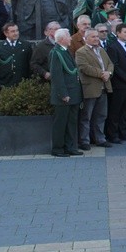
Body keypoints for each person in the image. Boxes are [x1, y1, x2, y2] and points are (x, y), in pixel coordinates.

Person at [75, 28, 114, 150]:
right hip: (90, 88)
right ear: (86, 39)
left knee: (101, 115)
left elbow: (110, 64)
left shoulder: (101, 50)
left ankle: (100, 139)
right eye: (93, 37)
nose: (96, 39)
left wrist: (109, 73)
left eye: (97, 36)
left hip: (104, 87)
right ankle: (84, 141)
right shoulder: (81, 52)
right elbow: (84, 67)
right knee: (86, 117)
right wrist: (102, 73)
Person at [49, 28, 83, 157]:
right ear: (62, 39)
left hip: (73, 93)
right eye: (69, 37)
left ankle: (70, 147)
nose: (71, 39)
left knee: (71, 123)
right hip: (64, 95)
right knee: (60, 123)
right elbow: (57, 76)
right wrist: (63, 94)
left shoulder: (65, 51)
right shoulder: (56, 53)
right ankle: (58, 149)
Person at [106, 23, 126, 142]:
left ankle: (124, 132)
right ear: (118, 33)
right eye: (125, 32)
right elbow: (115, 66)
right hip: (120, 84)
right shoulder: (113, 47)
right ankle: (113, 135)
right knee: (116, 111)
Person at [0, 23, 32, 89]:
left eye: (17, 30)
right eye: (13, 31)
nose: (16, 33)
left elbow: (30, 64)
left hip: (22, 83)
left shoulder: (26, 45)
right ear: (6, 33)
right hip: (4, 84)